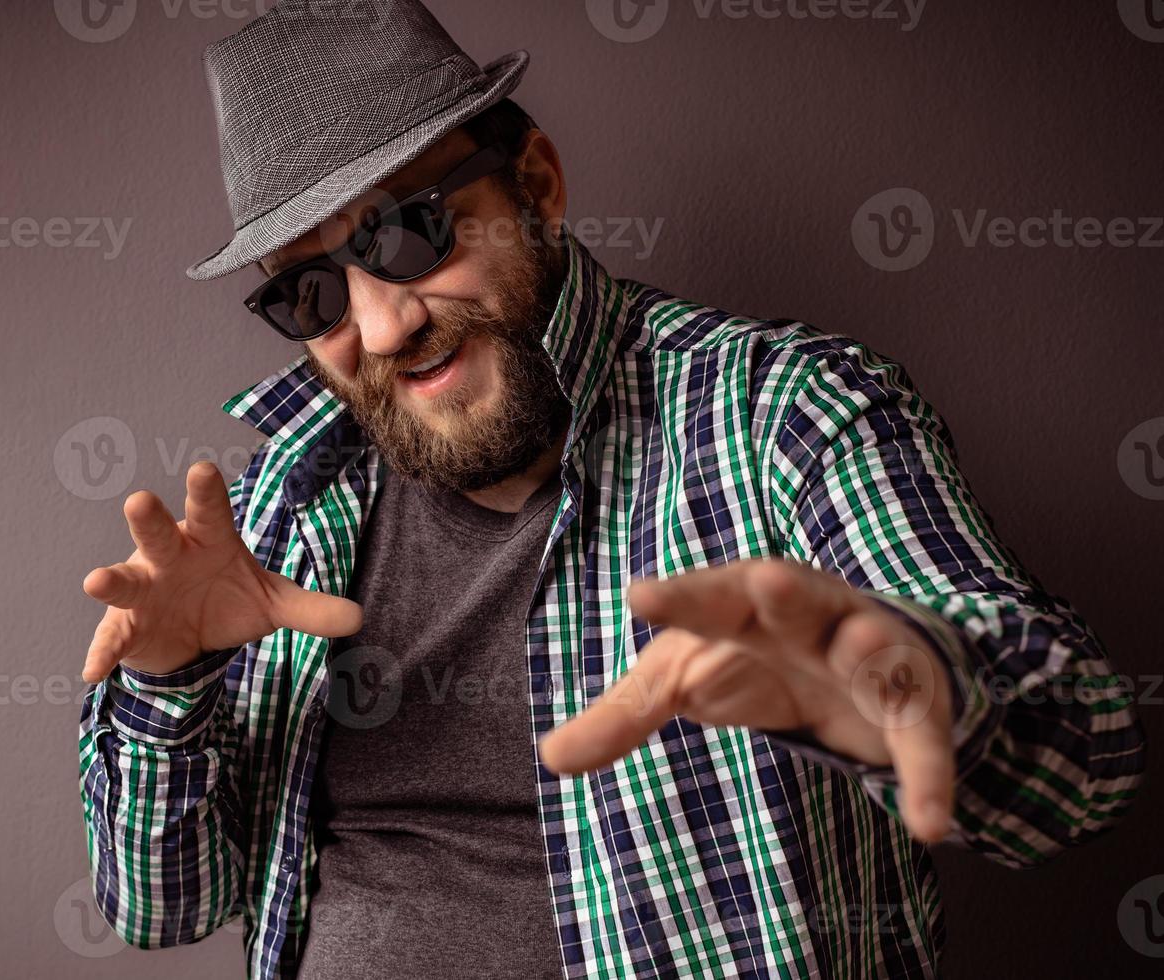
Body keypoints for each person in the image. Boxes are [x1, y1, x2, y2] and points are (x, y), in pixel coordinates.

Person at [75, 2, 1146, 977]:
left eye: (406, 231)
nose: (387, 325)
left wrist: (907, 683)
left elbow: (1077, 765)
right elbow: (162, 908)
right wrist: (168, 682)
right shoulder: (279, 511)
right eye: (313, 294)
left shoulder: (784, 416)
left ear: (533, 180)